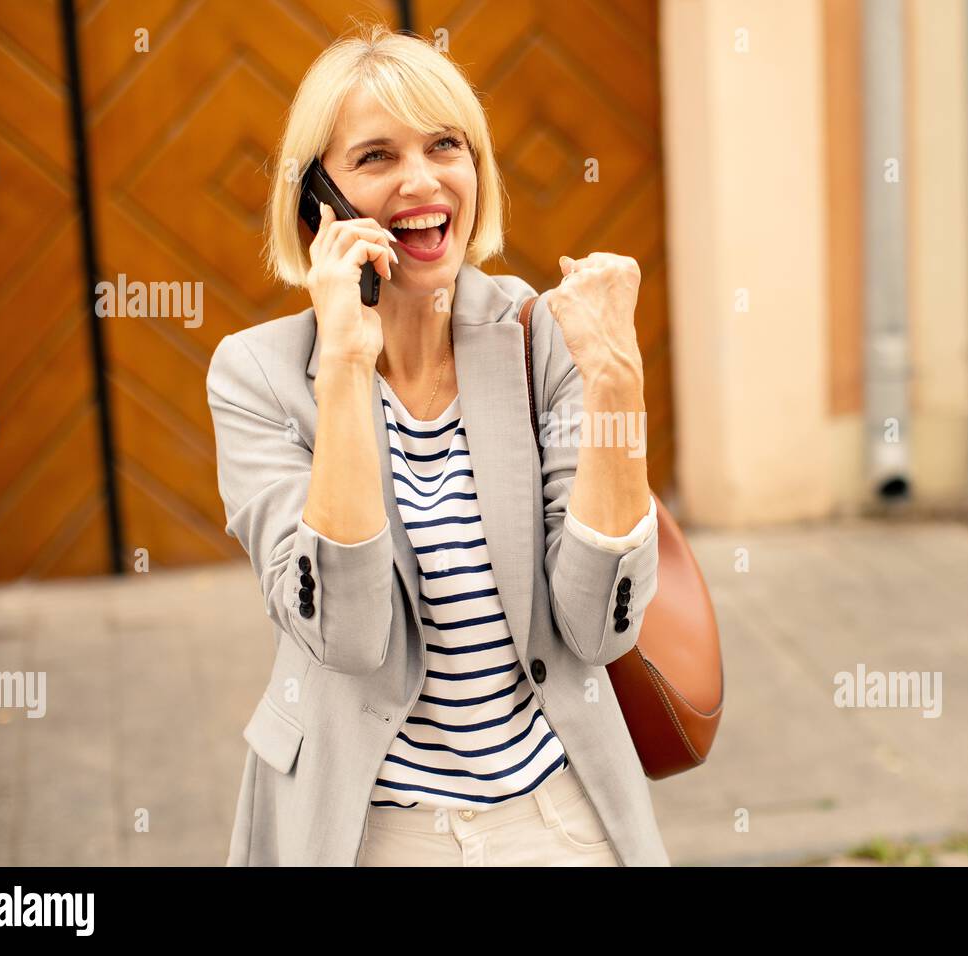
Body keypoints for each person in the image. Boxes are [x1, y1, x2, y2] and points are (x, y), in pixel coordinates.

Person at [205, 22, 668, 866]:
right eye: (375, 157)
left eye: (445, 145)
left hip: (557, 822)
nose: (422, 181)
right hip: (369, 830)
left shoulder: (538, 338)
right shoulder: (259, 377)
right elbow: (345, 633)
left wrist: (619, 388)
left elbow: (600, 630)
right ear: (319, 199)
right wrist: (346, 365)